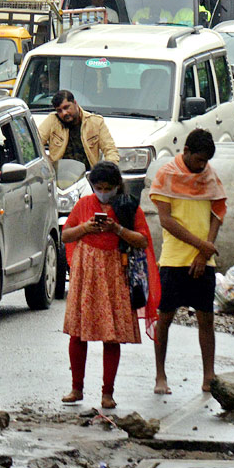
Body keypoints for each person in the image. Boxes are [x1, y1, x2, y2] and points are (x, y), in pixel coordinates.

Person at [60, 161, 158, 410]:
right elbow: (65, 235)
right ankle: (76, 388)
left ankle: (107, 392)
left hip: (115, 272)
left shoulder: (127, 206)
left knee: (111, 335)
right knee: (78, 332)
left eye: (108, 187)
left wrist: (117, 229)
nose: (103, 192)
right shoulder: (84, 205)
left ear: (117, 186)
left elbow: (142, 240)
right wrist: (85, 227)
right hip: (86, 271)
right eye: (98, 187)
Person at [151, 129, 227, 395]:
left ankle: (209, 375)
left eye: (206, 161)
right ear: (187, 152)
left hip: (203, 259)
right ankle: (160, 375)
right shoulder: (166, 175)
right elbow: (166, 220)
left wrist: (205, 253)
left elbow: (218, 212)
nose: (202, 166)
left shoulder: (210, 177)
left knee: (206, 318)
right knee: (165, 317)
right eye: (199, 160)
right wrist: (201, 245)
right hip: (173, 258)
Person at [38, 90, 119, 171]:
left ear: (75, 103)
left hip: (88, 176)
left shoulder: (96, 122)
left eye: (66, 107)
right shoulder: (52, 120)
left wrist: (108, 171)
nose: (64, 113)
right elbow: (37, 142)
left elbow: (110, 149)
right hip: (60, 176)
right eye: (59, 110)